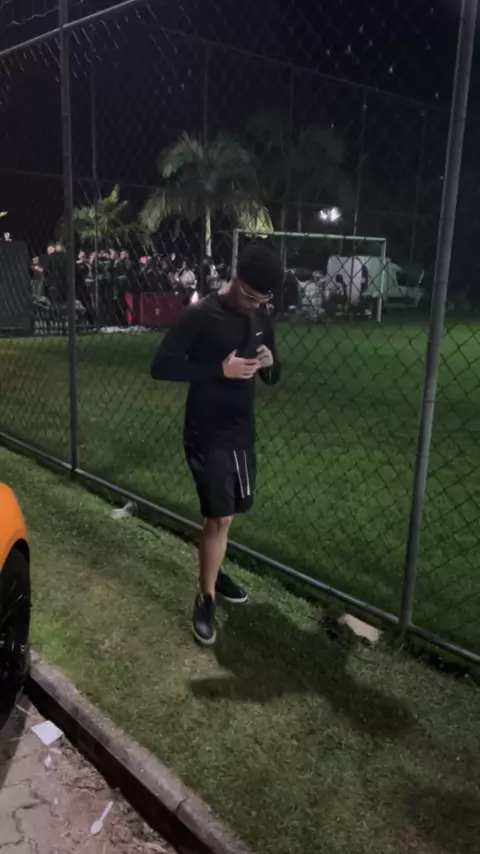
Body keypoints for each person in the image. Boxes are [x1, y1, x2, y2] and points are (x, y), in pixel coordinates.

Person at [150, 244, 283, 645]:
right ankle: (205, 597)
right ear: (235, 280)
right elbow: (161, 366)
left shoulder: (260, 316)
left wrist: (269, 363)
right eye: (250, 296)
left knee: (232, 512)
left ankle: (214, 565)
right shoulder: (201, 314)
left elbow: (274, 374)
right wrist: (219, 370)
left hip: (241, 430)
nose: (255, 305)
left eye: (263, 300)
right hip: (206, 430)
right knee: (219, 517)